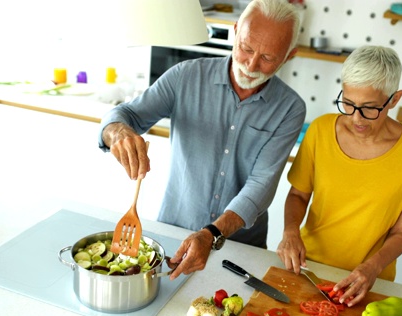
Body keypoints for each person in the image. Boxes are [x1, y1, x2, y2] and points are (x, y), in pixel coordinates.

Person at [98, 0, 306, 280]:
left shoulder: (291, 108)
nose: (251, 64)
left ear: (289, 55)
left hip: (242, 249)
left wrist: (212, 234)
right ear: (234, 32)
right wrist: (118, 132)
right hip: (174, 233)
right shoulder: (185, 76)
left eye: (268, 58)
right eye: (246, 48)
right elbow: (124, 115)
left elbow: (261, 186)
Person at [276, 45, 402, 306]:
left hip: (369, 279)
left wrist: (373, 267)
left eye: (370, 108)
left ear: (394, 100)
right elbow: (297, 194)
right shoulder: (320, 131)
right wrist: (290, 232)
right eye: (348, 104)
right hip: (307, 267)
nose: (356, 118)